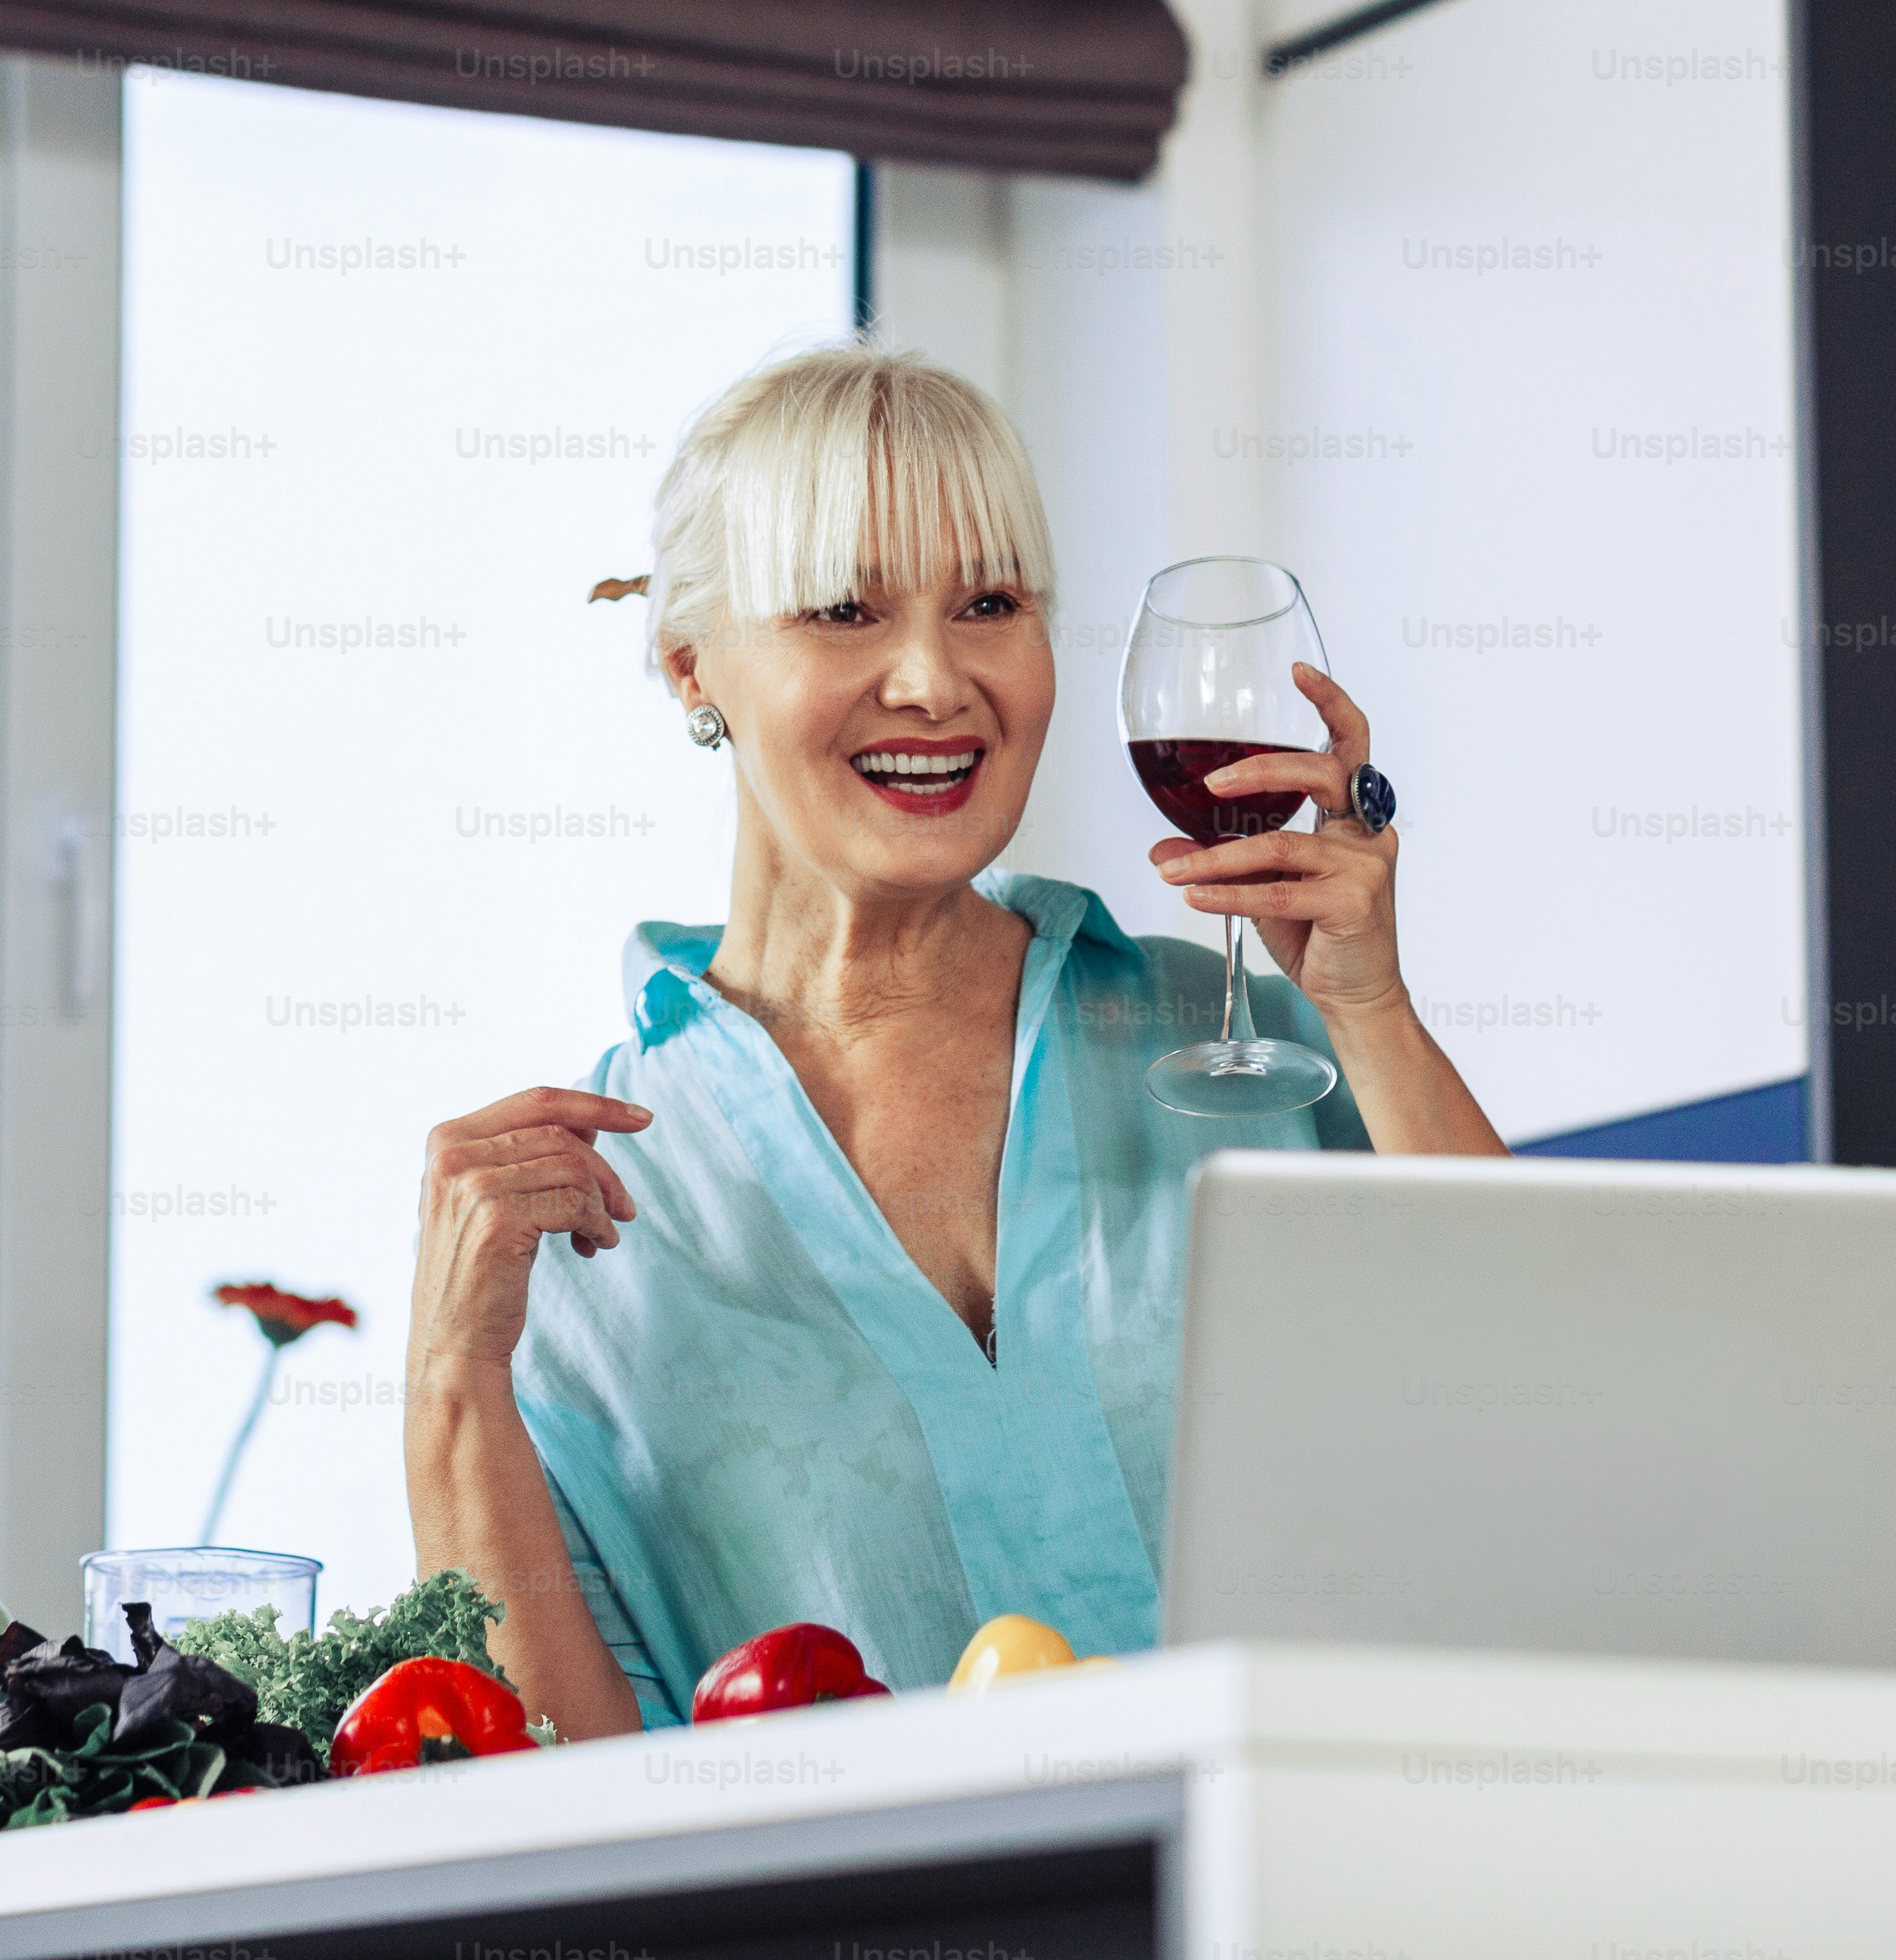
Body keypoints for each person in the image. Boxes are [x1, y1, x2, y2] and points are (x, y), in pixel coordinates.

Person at [401, 345, 1504, 1736]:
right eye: (844, 610)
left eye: (989, 603)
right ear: (693, 669)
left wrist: (1372, 1012)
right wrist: (451, 1384)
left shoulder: (1245, 1048)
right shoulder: (573, 1224)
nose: (933, 681)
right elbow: (555, 1815)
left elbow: (1568, 1462)